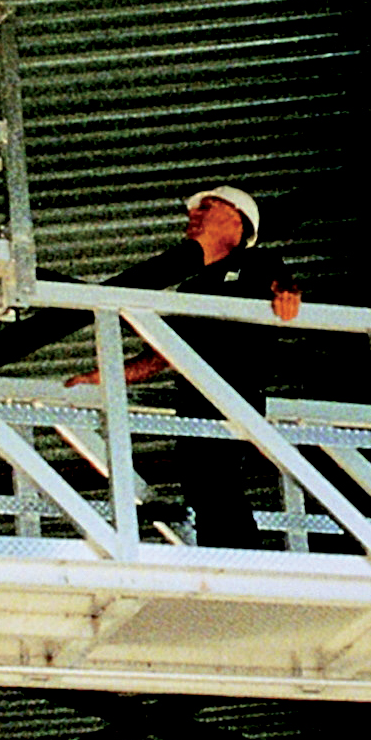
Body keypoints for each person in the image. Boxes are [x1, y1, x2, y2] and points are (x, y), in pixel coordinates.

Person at [70, 186, 302, 547]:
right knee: (200, 483)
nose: (194, 217)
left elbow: (281, 284)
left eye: (207, 208)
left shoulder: (256, 263)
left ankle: (243, 558)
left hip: (234, 391)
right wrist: (105, 376)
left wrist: (288, 294)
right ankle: (224, 555)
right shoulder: (194, 285)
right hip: (194, 398)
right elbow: (164, 355)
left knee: (218, 479)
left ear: (237, 220)